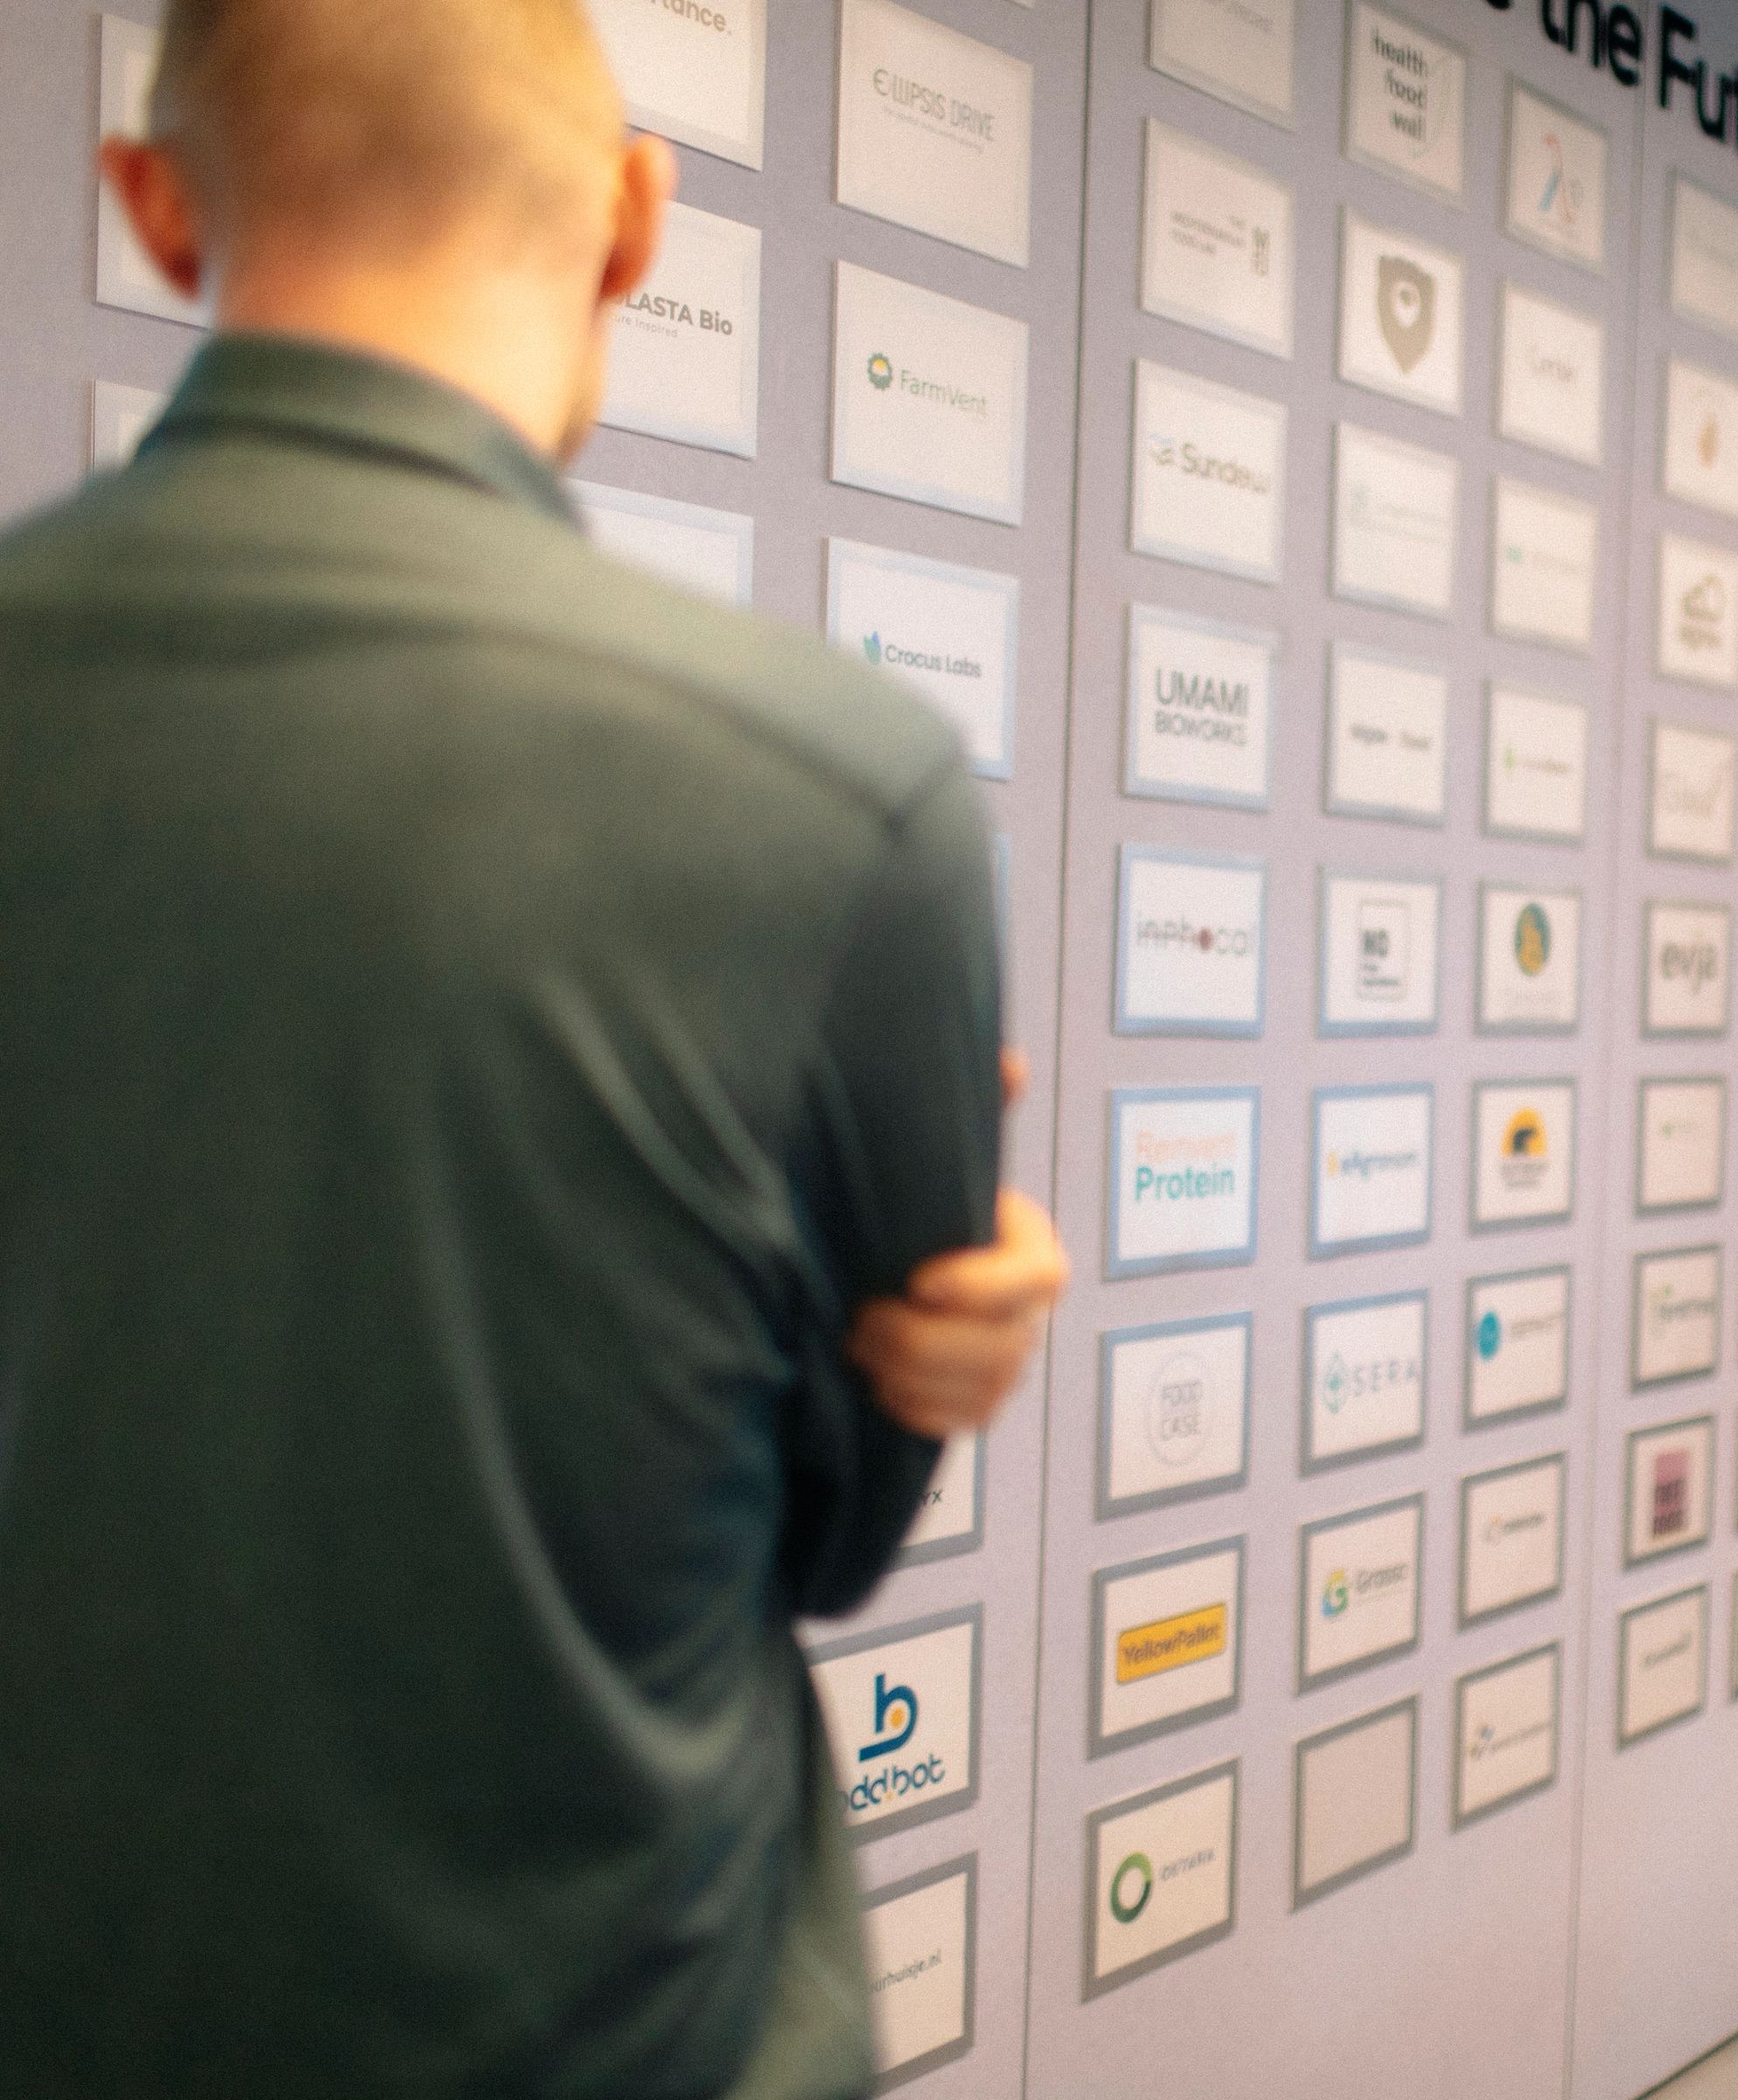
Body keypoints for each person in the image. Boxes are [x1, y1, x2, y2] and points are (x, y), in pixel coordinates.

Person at [0, 3, 1066, 2093]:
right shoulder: (846, 791)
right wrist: (921, 1343)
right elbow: (836, 1532)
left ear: (153, 206)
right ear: (636, 219)